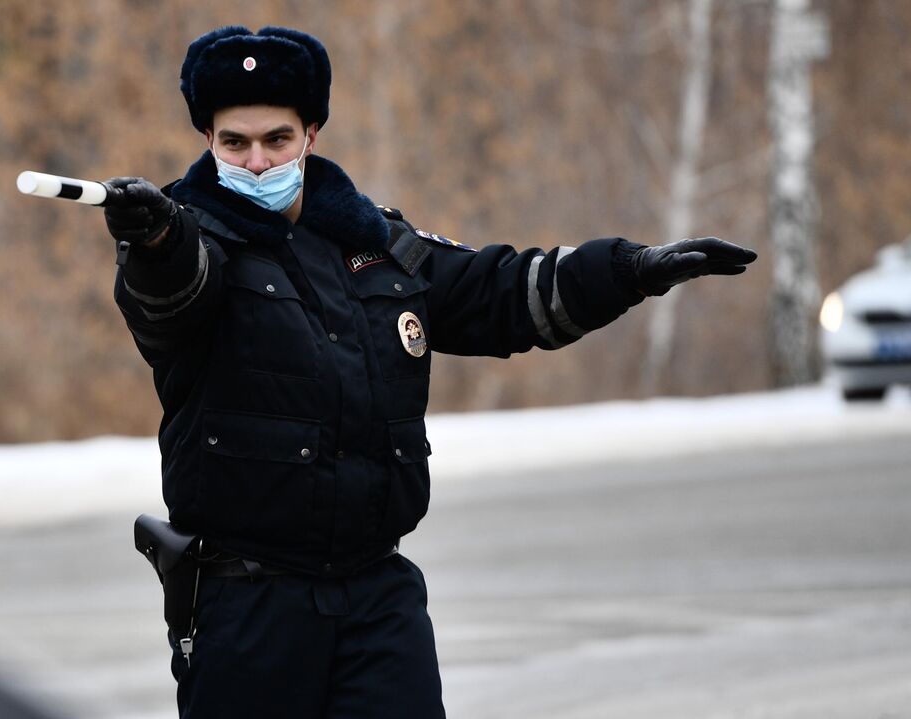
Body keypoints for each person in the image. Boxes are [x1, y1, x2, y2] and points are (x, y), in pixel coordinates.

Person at [103, 25, 756, 719]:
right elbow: (169, 297)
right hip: (252, 608)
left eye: (277, 139)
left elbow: (501, 293)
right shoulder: (190, 243)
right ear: (209, 139)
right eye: (235, 142)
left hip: (377, 600)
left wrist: (627, 271)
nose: (258, 161)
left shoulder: (376, 244)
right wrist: (155, 239)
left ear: (311, 135)